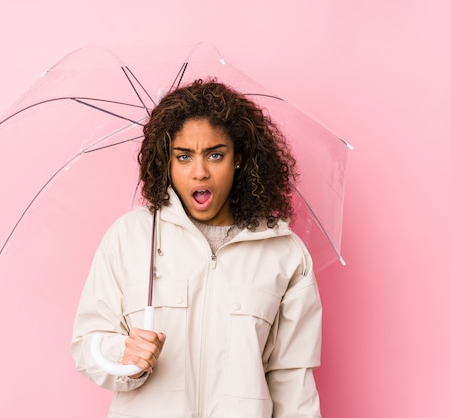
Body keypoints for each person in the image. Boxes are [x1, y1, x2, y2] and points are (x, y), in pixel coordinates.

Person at [71, 79, 322, 417]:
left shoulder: (284, 253)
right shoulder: (130, 237)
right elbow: (87, 344)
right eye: (184, 156)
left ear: (239, 158)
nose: (200, 172)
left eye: (215, 155)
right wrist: (124, 355)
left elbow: (293, 382)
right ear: (167, 162)